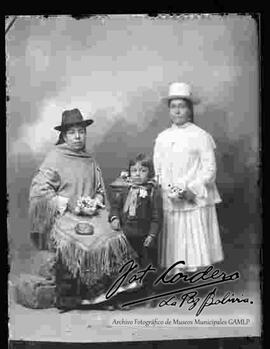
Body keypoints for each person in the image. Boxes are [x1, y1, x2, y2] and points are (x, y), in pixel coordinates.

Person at [29, 108, 136, 309]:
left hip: (90, 212)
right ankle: (85, 297)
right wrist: (68, 203)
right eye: (72, 132)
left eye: (81, 131)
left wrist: (94, 201)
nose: (78, 136)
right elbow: (39, 191)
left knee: (111, 232)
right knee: (83, 239)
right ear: (63, 136)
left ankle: (112, 293)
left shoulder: (89, 160)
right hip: (65, 215)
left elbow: (99, 190)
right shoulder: (54, 159)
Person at [153, 82, 224, 274]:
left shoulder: (201, 136)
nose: (177, 111)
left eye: (182, 106)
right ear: (169, 111)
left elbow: (209, 169)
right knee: (175, 238)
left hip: (194, 194)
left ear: (189, 110)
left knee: (194, 238)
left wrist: (191, 189)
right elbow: (158, 170)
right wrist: (170, 189)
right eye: (173, 107)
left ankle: (197, 279)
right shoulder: (162, 138)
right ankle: (176, 277)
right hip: (171, 196)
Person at [109, 153, 162, 306]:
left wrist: (152, 235)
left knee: (148, 265)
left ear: (150, 173)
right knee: (126, 266)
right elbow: (115, 208)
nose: (138, 174)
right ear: (129, 172)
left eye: (143, 170)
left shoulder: (152, 192)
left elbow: (156, 218)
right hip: (126, 236)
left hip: (145, 236)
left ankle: (151, 294)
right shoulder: (123, 190)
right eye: (134, 170)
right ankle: (126, 296)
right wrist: (115, 218)